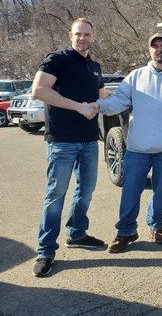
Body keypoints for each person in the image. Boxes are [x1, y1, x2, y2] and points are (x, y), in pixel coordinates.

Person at [93, 33, 162, 253]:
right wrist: (99, 106)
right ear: (149, 51)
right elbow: (119, 101)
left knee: (161, 190)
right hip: (137, 149)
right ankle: (126, 232)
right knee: (130, 191)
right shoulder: (136, 76)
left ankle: (156, 225)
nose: (159, 49)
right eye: (155, 46)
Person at [32, 18, 107, 277]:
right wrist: (79, 106)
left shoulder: (95, 66)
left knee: (85, 191)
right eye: (78, 34)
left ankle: (77, 233)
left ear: (93, 36)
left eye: (87, 34)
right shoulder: (57, 59)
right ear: (70, 35)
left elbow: (102, 96)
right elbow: (38, 91)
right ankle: (45, 251)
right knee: (55, 196)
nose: (83, 38)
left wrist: (102, 103)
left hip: (89, 140)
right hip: (62, 140)